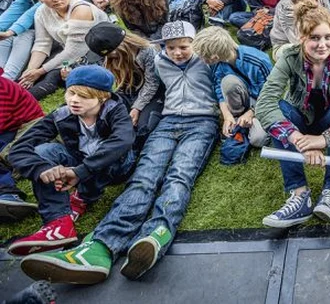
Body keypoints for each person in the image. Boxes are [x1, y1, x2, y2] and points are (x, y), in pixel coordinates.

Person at [19, 20, 219, 284]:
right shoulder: (161, 61)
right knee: (144, 178)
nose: (177, 52)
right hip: (168, 121)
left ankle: (156, 233)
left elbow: (229, 81)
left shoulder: (209, 61)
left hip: (203, 122)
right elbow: (144, 81)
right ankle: (99, 247)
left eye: (184, 46)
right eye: (172, 48)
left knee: (179, 176)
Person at [256, 2, 330, 228]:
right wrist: (296, 138)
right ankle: (300, 194)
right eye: (315, 38)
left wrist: (324, 139)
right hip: (301, 123)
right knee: (280, 108)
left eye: (328, 37)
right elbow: (265, 102)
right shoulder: (289, 57)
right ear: (302, 38)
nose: (322, 44)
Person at [8, 65, 136, 256]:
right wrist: (41, 169)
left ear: (103, 97)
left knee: (109, 149)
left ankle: (83, 198)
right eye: (71, 93)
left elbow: (122, 141)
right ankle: (58, 223)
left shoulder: (115, 110)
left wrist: (79, 172)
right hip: (79, 161)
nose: (74, 100)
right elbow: (18, 149)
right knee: (43, 152)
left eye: (84, 96)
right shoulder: (62, 114)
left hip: (117, 168)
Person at [18, 0, 108, 99]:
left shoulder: (81, 9)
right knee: (29, 76)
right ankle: (11, 96)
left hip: (96, 53)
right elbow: (42, 43)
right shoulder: (41, 12)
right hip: (69, 54)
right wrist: (30, 71)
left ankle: (19, 102)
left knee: (52, 76)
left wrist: (39, 71)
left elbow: (74, 51)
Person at [84, 23, 163, 151]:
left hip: (153, 93)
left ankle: (131, 148)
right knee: (107, 118)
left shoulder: (147, 51)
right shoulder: (105, 59)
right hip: (126, 91)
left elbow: (152, 83)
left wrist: (137, 107)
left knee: (144, 126)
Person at [192, 26, 271, 148]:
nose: (201, 60)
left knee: (258, 140)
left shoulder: (257, 61)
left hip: (263, 101)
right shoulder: (218, 65)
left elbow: (270, 93)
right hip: (241, 98)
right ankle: (236, 118)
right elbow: (219, 89)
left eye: (203, 57)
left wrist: (252, 112)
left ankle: (247, 122)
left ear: (215, 57)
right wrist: (227, 115)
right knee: (228, 82)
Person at [0, 70, 44, 222]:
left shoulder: (2, 88)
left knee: (8, 156)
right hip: (8, 128)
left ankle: (9, 195)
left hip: (26, 128)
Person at [0, 0, 41, 81]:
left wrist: (11, 32)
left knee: (21, 34)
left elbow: (30, 14)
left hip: (48, 33)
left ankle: (7, 79)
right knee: (5, 37)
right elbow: (16, 8)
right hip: (33, 28)